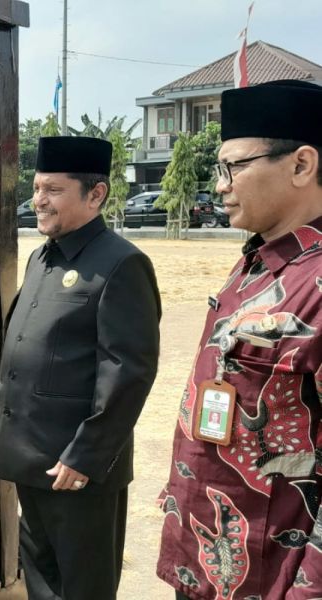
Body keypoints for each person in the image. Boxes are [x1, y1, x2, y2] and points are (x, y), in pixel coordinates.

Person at [0, 136, 162, 600]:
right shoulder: (43, 256)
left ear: (95, 194)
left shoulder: (121, 264)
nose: (39, 199)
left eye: (54, 189)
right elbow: (25, 344)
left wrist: (87, 455)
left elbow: (128, 371)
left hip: (77, 467)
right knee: (40, 579)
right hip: (31, 454)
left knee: (83, 588)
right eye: (37, 187)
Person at [156, 79, 322, 599]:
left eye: (235, 166)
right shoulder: (255, 263)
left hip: (271, 575)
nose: (220, 184)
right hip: (205, 550)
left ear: (300, 165)